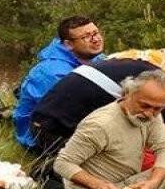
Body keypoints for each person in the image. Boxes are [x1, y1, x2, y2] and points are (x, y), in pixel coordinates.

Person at [28, 57, 162, 160]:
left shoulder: (127, 66)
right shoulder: (152, 85)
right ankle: (46, 173)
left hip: (42, 122)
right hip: (54, 133)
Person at [13, 16, 105, 150]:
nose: (96, 39)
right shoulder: (51, 73)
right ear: (68, 44)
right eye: (86, 37)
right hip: (41, 131)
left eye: (95, 33)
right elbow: (67, 113)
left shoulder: (92, 56)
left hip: (70, 119)